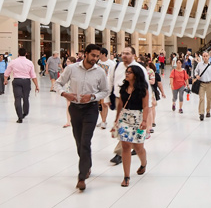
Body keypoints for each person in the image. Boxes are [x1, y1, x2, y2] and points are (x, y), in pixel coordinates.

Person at [55, 44, 110, 191]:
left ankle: (81, 177)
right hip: (75, 109)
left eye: (97, 56)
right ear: (85, 54)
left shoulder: (100, 72)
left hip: (91, 109)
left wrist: (92, 96)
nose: (95, 59)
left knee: (85, 141)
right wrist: (64, 93)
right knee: (79, 142)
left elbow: (105, 90)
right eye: (93, 55)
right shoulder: (72, 68)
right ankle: (88, 165)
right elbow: (58, 83)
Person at [107, 46, 147, 165]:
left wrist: (148, 109)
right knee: (122, 125)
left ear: (134, 55)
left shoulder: (139, 68)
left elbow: (146, 88)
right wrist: (108, 97)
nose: (124, 55)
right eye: (123, 53)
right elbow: (110, 81)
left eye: (127, 53)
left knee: (131, 129)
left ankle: (121, 152)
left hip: (135, 101)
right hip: (120, 99)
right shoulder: (117, 66)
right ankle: (127, 148)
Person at [114, 65, 151, 187]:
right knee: (125, 146)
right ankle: (126, 176)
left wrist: (145, 121)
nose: (127, 74)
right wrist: (117, 119)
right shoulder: (123, 87)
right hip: (125, 118)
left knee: (138, 147)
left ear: (136, 74)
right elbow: (120, 104)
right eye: (127, 72)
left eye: (130, 72)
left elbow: (146, 106)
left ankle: (143, 163)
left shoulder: (143, 89)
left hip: (138, 118)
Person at [3, 47, 39, 122]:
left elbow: (7, 72)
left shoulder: (13, 62)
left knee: (17, 98)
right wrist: (36, 85)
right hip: (26, 81)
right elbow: (33, 75)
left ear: (18, 53)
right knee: (26, 98)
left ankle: (19, 117)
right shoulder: (29, 62)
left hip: (17, 81)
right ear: (26, 54)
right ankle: (25, 113)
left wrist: (5, 80)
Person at [193, 50, 211, 120]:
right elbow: (196, 71)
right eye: (204, 56)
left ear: (208, 56)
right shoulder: (199, 64)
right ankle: (201, 113)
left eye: (206, 56)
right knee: (202, 98)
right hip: (201, 84)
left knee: (209, 99)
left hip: (209, 84)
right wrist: (196, 75)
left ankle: (208, 111)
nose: (205, 57)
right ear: (202, 57)